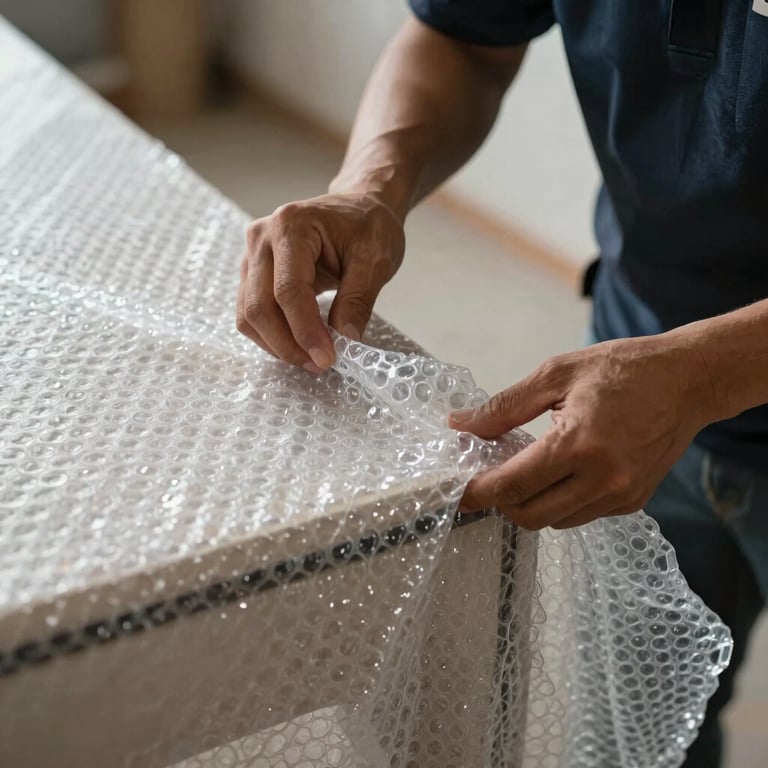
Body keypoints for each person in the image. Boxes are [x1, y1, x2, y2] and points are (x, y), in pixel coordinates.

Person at [235, 3, 768, 765]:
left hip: (670, 378)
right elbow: (463, 39)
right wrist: (369, 185)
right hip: (638, 352)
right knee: (630, 740)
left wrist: (705, 373)